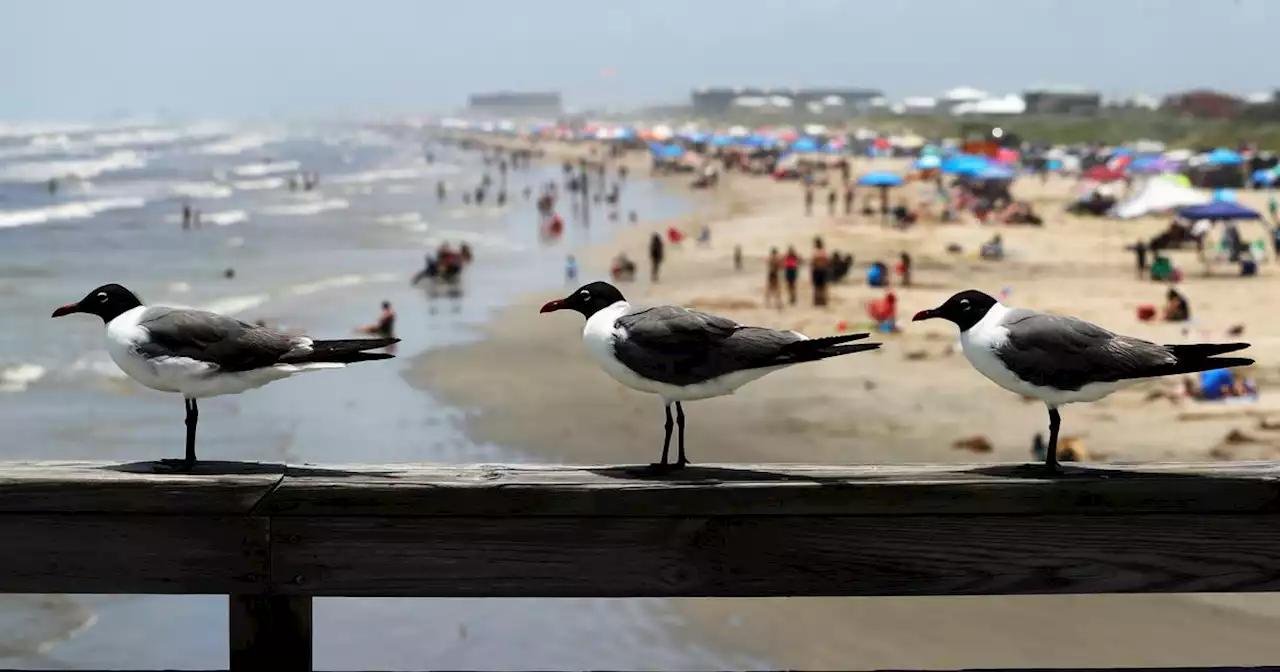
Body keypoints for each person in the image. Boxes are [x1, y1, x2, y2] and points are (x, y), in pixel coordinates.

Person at [811, 237, 830, 307]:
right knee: (823, 286)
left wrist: (812, 273)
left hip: (817, 270)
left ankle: (817, 301)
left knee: (817, 287)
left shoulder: (815, 253)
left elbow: (813, 263)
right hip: (823, 270)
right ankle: (823, 301)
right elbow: (827, 262)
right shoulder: (824, 252)